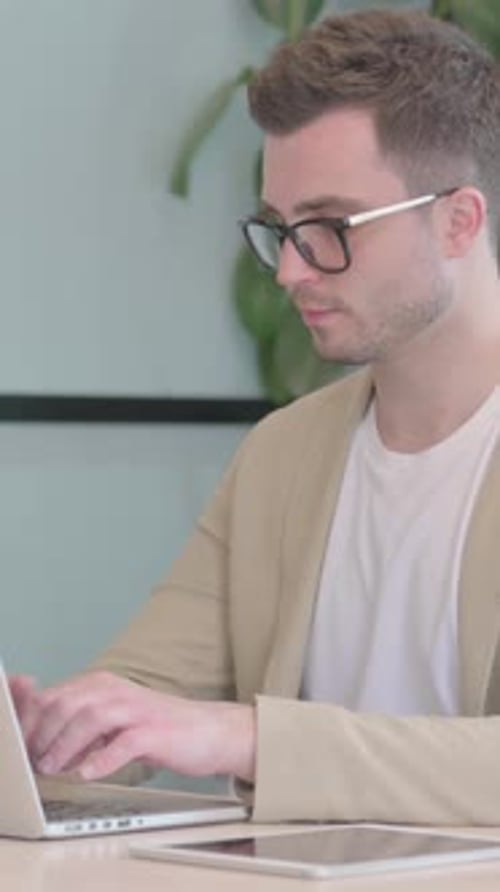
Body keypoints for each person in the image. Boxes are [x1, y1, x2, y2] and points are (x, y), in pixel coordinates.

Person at [10, 7, 500, 825]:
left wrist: (250, 739)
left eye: (330, 227)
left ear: (459, 222)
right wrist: (49, 739)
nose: (290, 272)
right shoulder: (285, 452)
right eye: (280, 229)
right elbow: (149, 693)